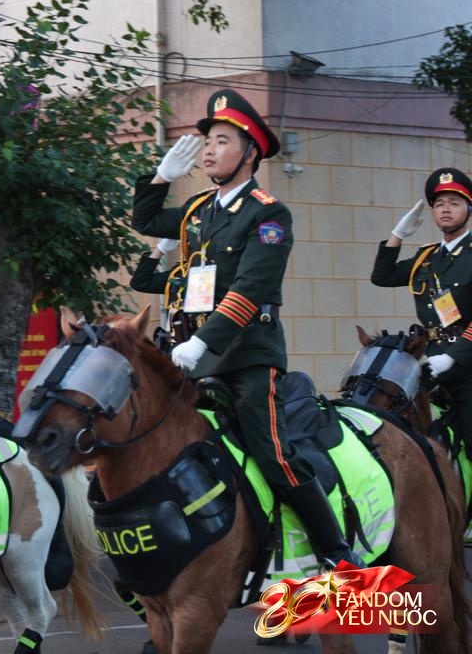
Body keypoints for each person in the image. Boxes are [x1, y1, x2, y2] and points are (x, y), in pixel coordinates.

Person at [132, 88, 361, 570]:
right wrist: (161, 176)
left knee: (270, 453)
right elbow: (146, 219)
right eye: (208, 141)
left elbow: (251, 289)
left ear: (250, 152)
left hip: (245, 357)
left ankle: (336, 552)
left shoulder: (268, 212)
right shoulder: (198, 212)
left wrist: (202, 342)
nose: (210, 149)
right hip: (190, 355)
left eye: (221, 140)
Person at [371, 167, 472, 457]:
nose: (445, 210)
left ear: (468, 207)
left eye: (454, 202)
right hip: (428, 361)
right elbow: (382, 276)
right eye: (439, 204)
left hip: (467, 366)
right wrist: (397, 235)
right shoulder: (427, 258)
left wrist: (452, 357)